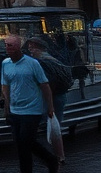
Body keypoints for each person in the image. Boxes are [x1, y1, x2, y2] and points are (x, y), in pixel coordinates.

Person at [1, 34, 59, 173]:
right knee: (21, 144)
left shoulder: (33, 63)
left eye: (11, 45)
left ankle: (49, 160)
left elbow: (45, 85)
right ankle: (49, 160)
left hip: (32, 110)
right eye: (6, 45)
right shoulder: (5, 63)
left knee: (26, 141)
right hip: (15, 110)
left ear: (19, 47)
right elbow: (5, 85)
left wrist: (50, 107)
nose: (8, 48)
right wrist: (6, 105)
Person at [27, 36, 71, 164]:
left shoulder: (42, 62)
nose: (30, 50)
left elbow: (46, 82)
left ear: (38, 48)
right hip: (59, 95)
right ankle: (58, 155)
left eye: (31, 47)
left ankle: (53, 155)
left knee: (49, 125)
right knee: (55, 125)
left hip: (52, 97)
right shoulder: (52, 59)